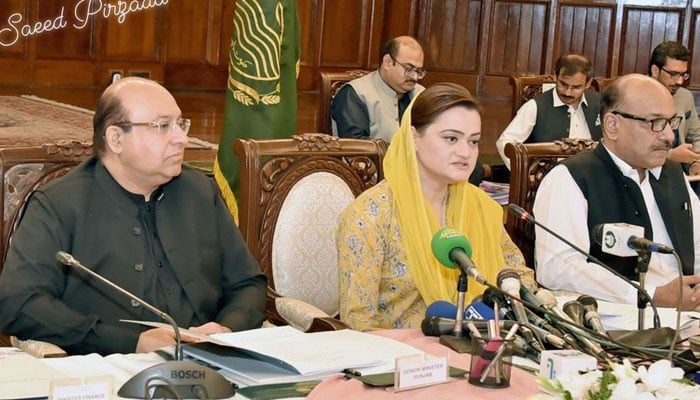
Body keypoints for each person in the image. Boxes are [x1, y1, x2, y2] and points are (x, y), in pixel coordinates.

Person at [0, 77, 268, 355]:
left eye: (180, 123)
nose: (182, 138)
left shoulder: (199, 191)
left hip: (211, 365)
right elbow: (19, 304)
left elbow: (247, 282)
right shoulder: (59, 204)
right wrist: (131, 342)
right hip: (107, 371)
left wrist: (226, 329)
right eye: (163, 126)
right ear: (116, 138)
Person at [336, 82, 535, 331]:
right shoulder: (370, 216)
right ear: (413, 138)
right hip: (401, 360)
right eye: (451, 138)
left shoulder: (480, 206)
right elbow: (358, 324)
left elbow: (517, 273)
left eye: (473, 142)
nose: (465, 152)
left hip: (478, 348)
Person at [534, 74, 700, 309]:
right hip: (616, 322)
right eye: (655, 123)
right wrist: (648, 294)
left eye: (671, 122)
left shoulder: (672, 174)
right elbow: (557, 267)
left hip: (687, 318)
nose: (669, 136)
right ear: (613, 125)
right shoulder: (571, 178)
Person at [497, 54, 603, 169]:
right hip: (550, 178)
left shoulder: (600, 103)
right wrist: (524, 173)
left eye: (576, 87)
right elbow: (505, 142)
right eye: (563, 84)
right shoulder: (535, 106)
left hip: (592, 174)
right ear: (555, 77)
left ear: (588, 83)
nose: (568, 92)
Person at [332, 35, 426, 143]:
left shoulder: (421, 94)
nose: (415, 77)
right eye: (409, 69)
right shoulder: (355, 94)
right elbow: (355, 147)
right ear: (387, 62)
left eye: (419, 71)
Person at [648, 41, 700, 173]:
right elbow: (629, 148)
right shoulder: (634, 96)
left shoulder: (684, 96)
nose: (680, 81)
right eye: (673, 74)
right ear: (655, 70)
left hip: (682, 173)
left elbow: (696, 136)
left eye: (683, 75)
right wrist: (670, 156)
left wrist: (696, 162)